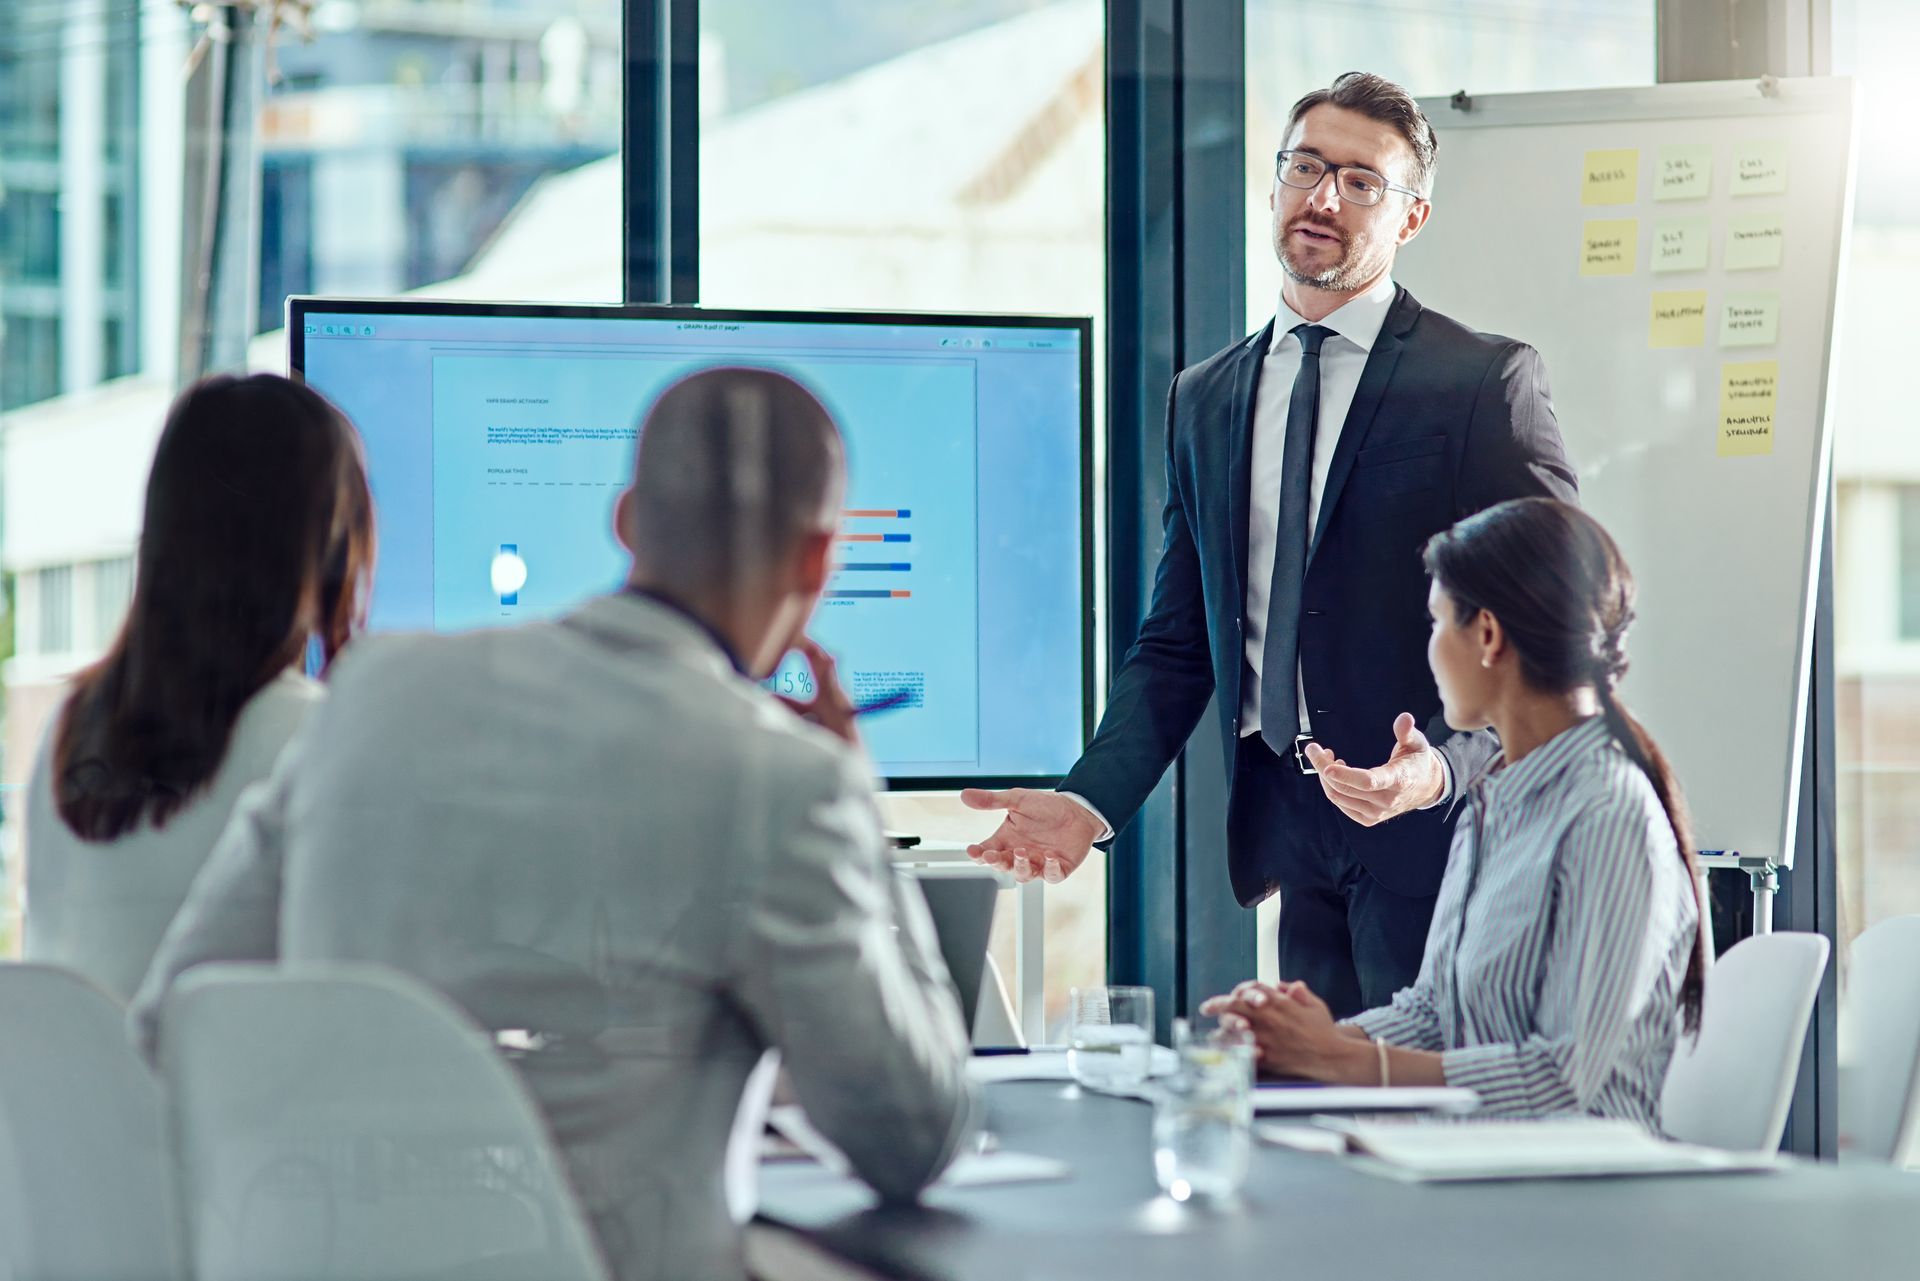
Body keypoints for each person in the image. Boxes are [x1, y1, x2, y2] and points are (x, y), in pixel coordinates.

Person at [128, 366, 976, 1281]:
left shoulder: (368, 693)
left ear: (625, 521)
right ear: (818, 560)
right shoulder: (785, 778)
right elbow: (911, 1135)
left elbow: (170, 1021)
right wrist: (852, 787)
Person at [963, 71, 1577, 1016]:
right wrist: (1089, 803)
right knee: (1308, 1122)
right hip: (1292, 835)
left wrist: (1443, 767)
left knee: (1423, 1120)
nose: (1324, 198)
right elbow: (1179, 643)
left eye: (1362, 182)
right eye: (1305, 167)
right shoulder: (1206, 395)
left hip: (1444, 836)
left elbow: (1555, 626)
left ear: (1410, 218)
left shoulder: (1481, 381)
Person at [1203, 498, 1708, 1127]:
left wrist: (1341, 1061)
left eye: (1439, 623)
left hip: (1576, 1197)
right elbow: (1435, 1013)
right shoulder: (1492, 806)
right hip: (1473, 1171)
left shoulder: (1611, 816)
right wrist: (1300, 1043)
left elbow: (1564, 1081)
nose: (1431, 649)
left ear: (1488, 635)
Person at [23, 373, 374, 1002]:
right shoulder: (315, 740)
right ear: (329, 548)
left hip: (73, 1098)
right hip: (222, 1098)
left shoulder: (65, 727)